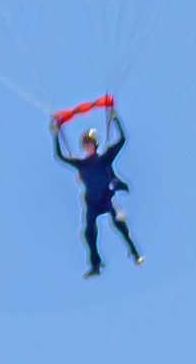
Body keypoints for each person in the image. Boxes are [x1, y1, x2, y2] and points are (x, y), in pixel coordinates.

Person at [53, 110, 141, 277]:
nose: (88, 145)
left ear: (95, 144)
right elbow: (60, 156)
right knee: (89, 233)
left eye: (90, 142)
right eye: (85, 143)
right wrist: (56, 133)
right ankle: (95, 265)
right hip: (92, 203)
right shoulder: (81, 164)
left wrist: (115, 118)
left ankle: (134, 252)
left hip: (106, 198)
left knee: (119, 222)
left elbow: (122, 139)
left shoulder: (104, 159)